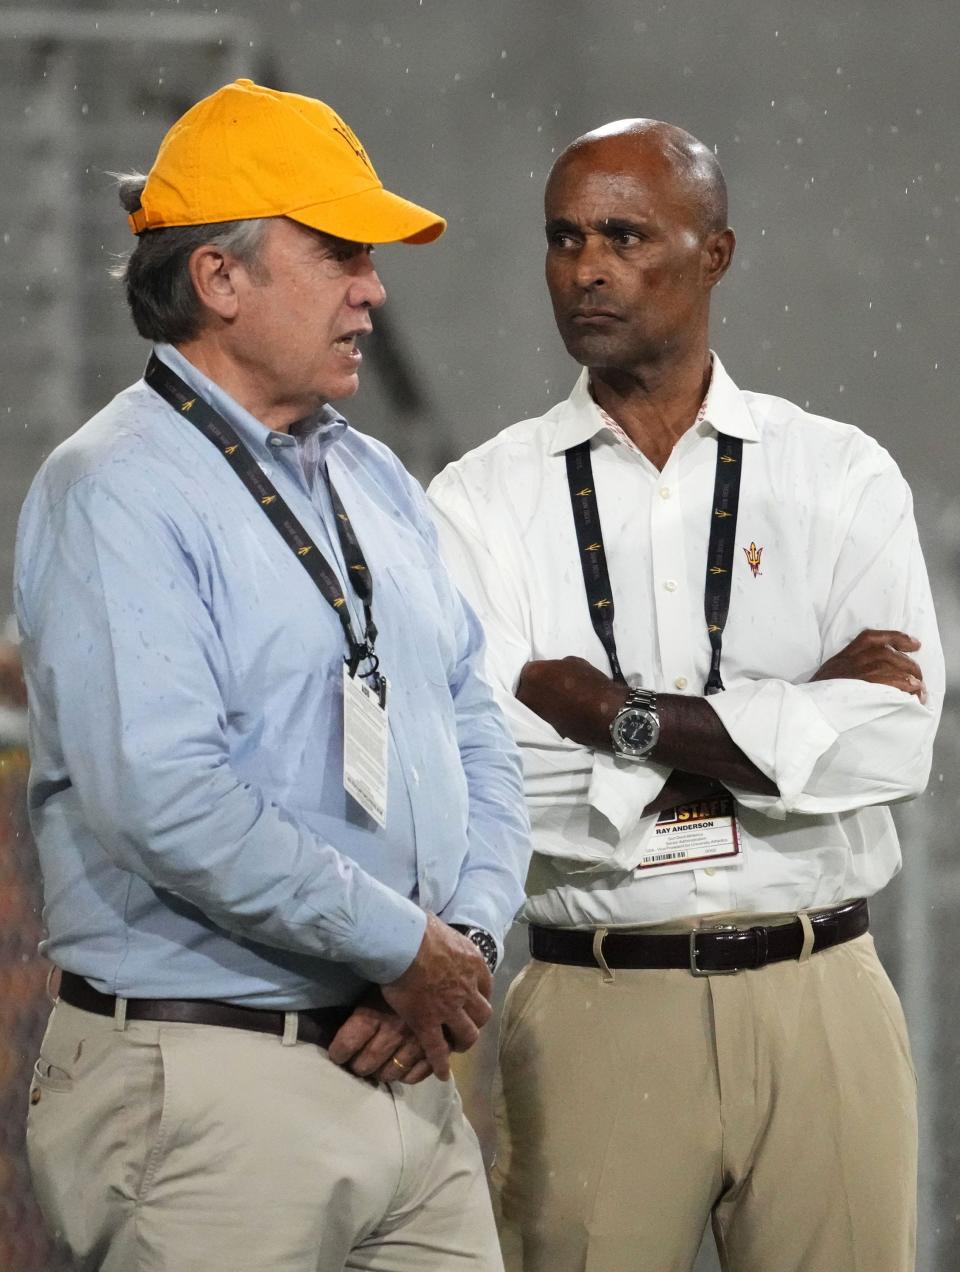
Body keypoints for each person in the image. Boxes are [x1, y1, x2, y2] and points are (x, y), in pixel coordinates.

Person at [17, 78, 530, 1272]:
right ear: (220, 278)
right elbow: (166, 796)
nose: (373, 288)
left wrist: (460, 939)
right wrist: (404, 949)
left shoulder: (375, 481)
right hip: (212, 1091)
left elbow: (474, 721)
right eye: (340, 251)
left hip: (403, 1071)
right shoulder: (117, 489)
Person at [428, 118, 943, 1272]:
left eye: (624, 234)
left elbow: (892, 742)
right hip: (600, 999)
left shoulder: (838, 475)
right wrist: (780, 726)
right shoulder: (474, 504)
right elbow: (500, 776)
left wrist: (615, 717)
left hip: (823, 994)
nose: (587, 268)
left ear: (714, 254)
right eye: (563, 239)